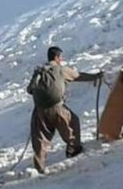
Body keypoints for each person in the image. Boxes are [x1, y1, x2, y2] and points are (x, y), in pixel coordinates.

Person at [26, 46, 102, 174]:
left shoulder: (39, 71)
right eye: (60, 57)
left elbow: (30, 90)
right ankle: (74, 150)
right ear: (56, 57)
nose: (61, 59)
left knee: (40, 139)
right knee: (72, 124)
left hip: (39, 111)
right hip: (57, 107)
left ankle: (39, 167)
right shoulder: (60, 70)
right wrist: (96, 76)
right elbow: (78, 76)